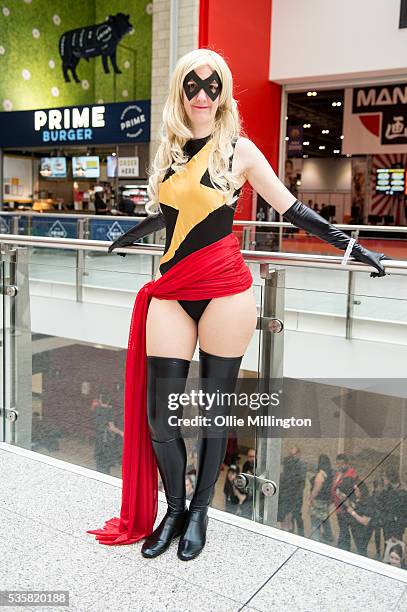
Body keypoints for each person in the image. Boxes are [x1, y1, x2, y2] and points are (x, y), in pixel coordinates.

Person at [87, 48, 390, 561]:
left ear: (222, 92)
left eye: (212, 86)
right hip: (171, 288)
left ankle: (200, 513)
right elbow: (171, 215)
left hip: (226, 290)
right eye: (192, 85)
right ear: (180, 92)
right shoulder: (170, 149)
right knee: (161, 417)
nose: (202, 96)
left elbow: (293, 210)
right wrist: (127, 234)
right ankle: (175, 509)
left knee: (212, 414)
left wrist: (354, 247)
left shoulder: (239, 151)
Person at [309, 454, 334, 543]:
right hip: (326, 500)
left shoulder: (320, 475)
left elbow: (317, 489)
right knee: (324, 518)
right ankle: (329, 536)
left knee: (315, 521)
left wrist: (311, 498)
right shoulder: (330, 474)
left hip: (318, 500)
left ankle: (316, 540)